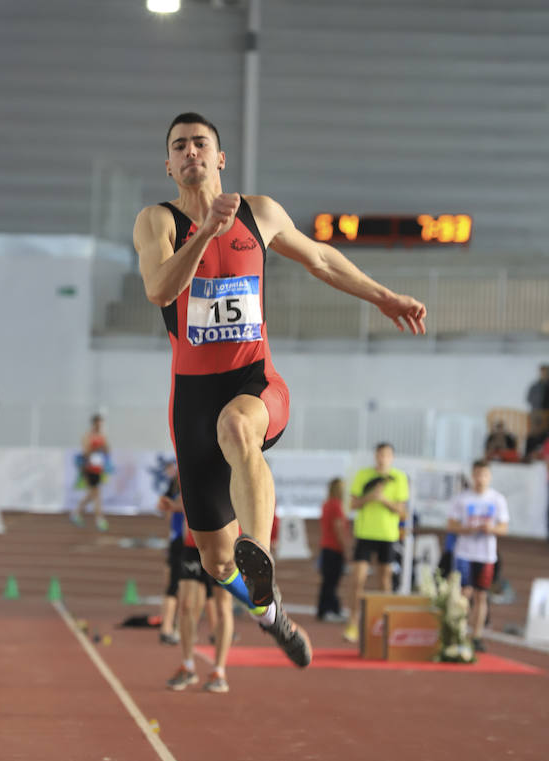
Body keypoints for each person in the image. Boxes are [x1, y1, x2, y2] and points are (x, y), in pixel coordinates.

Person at [132, 111, 427, 667]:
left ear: (220, 158)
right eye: (179, 147)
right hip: (191, 398)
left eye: (201, 143)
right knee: (216, 564)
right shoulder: (156, 221)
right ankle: (269, 612)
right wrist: (206, 236)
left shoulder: (259, 213)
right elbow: (158, 288)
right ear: (168, 165)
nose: (191, 152)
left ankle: (260, 555)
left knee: (237, 426)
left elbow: (321, 259)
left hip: (254, 381)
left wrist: (384, 296)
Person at [344, 443, 409, 642]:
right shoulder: (363, 475)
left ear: (392, 457)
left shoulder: (399, 478)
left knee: (385, 580)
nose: (383, 458)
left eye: (387, 455)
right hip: (365, 533)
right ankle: (354, 622)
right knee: (358, 579)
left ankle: (384, 623)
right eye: (380, 454)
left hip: (388, 535)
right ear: (375, 456)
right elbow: (353, 504)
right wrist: (370, 497)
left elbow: (402, 511)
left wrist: (383, 499)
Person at [447, 459, 509, 652]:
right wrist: (468, 528)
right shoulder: (462, 499)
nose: (480, 479)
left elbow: (503, 527)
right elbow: (451, 525)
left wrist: (491, 528)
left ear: (489, 477)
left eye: (484, 475)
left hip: (486, 555)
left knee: (482, 595)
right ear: (473, 475)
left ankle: (476, 635)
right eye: (477, 474)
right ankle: (459, 632)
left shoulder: (497, 499)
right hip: (464, 552)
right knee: (464, 594)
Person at [166, 527, 233, 693]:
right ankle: (187, 666)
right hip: (193, 542)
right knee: (186, 604)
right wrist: (174, 506)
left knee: (222, 607)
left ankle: (219, 671)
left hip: (223, 542)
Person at [157, 461, 184, 645]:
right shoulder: (182, 484)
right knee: (176, 585)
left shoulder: (174, 485)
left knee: (174, 584)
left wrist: (170, 507)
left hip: (177, 539)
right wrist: (173, 507)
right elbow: (164, 506)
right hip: (183, 541)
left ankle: (171, 626)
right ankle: (168, 627)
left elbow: (162, 506)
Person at [70, 414, 111, 531]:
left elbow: (107, 450)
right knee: (96, 494)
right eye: (98, 423)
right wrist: (96, 447)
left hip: (98, 468)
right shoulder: (88, 436)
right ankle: (99, 519)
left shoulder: (102, 436)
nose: (100, 426)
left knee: (93, 494)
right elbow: (85, 452)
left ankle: (76, 513)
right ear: (94, 424)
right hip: (89, 468)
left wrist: (104, 447)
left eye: (101, 424)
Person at [317, 478, 348, 622]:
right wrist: (345, 547)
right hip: (334, 547)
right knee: (332, 581)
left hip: (326, 546)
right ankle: (328, 610)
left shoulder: (326, 504)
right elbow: (338, 528)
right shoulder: (336, 505)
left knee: (328, 581)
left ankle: (331, 608)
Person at [525, 365, 549, 459]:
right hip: (536, 413)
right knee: (533, 436)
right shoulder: (535, 386)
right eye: (542, 372)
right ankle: (529, 455)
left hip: (546, 414)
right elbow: (529, 399)